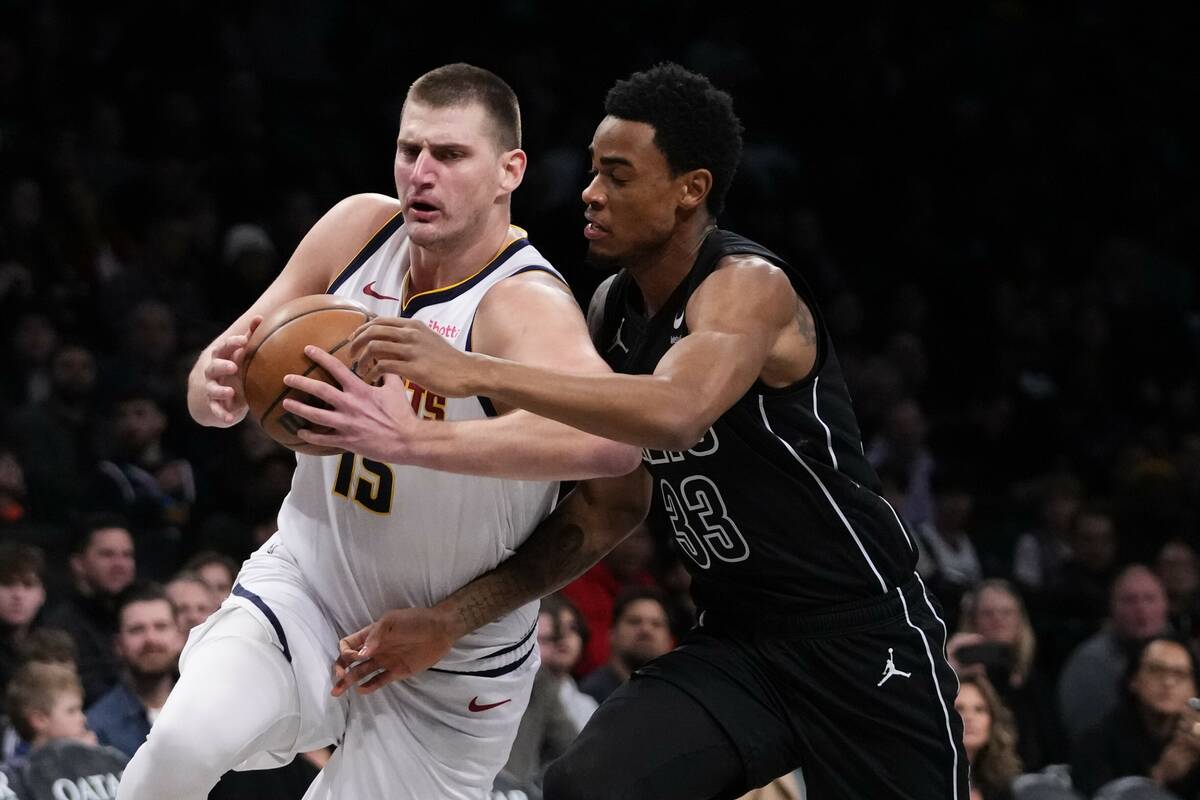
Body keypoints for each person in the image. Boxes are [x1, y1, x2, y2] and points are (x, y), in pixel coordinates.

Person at [332, 62, 967, 798]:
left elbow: (676, 409)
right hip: (738, 640)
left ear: (689, 190)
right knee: (587, 788)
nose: (591, 193)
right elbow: (608, 508)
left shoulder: (749, 287)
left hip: (862, 636)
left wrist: (473, 371)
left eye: (619, 176)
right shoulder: (611, 310)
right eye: (594, 171)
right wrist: (450, 619)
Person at [116, 63, 642, 800]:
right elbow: (224, 371)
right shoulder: (359, 227)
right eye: (409, 150)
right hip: (309, 587)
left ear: (508, 171)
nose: (421, 174)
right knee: (178, 747)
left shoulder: (522, 303)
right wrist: (214, 385)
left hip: (452, 659)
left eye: (451, 156)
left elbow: (616, 444)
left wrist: (411, 439)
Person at [947, 579, 1065, 769]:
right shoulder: (957, 678)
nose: (997, 619)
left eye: (1006, 612)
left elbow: (1053, 746)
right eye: (987, 613)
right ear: (973, 620)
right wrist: (949, 672)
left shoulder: (1035, 680)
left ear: (1020, 621)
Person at [1071, 635, 1200, 798]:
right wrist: (1159, 776)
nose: (1168, 682)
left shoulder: (1193, 739)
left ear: (1194, 689)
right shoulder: (1097, 741)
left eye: (1180, 674)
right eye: (1155, 670)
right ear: (1133, 679)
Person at [1058, 564, 1169, 748]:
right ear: (1112, 607)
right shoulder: (1089, 663)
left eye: (1149, 599)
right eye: (1130, 601)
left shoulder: (1185, 654)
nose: (1141, 610)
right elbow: (1086, 738)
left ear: (1166, 604)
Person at [41, 514, 136, 705]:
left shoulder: (140, 613)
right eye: (107, 555)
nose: (120, 564)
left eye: (127, 555)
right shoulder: (60, 627)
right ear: (78, 564)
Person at [577, 586, 672, 705]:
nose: (646, 630)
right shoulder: (589, 697)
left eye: (656, 624)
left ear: (670, 639)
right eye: (635, 621)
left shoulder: (678, 696)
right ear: (612, 634)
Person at [955, 674, 1020, 800]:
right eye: (959, 708)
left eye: (979, 709)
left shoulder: (999, 787)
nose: (969, 717)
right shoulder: (927, 778)